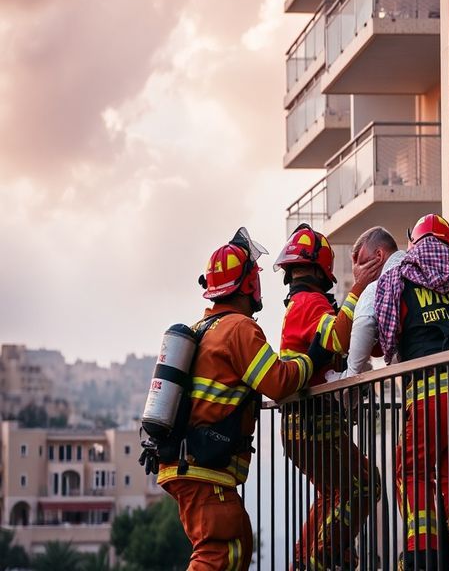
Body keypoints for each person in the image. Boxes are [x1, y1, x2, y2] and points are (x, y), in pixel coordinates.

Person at [155, 227, 325, 570]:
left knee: (240, 542)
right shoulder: (239, 329)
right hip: (205, 468)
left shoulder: (204, 329)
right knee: (222, 551)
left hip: (187, 462)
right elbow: (277, 382)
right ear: (249, 284)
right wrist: (313, 359)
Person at [374, 214, 449, 571]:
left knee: (412, 472)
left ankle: (420, 555)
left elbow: (384, 338)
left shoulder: (401, 278)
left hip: (431, 392)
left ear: (414, 244)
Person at [273, 223, 382, 571]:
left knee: (335, 492)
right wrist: (360, 287)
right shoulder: (310, 303)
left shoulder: (301, 303)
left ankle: (306, 561)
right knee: (364, 486)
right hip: (313, 421)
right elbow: (337, 338)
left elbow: (341, 343)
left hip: (303, 423)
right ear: (323, 271)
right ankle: (323, 558)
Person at [336, 226, 406, 381]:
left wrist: (360, 285)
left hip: (425, 393)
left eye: (361, 263)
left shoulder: (378, 286)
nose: (357, 273)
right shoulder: (419, 270)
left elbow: (365, 323)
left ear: (379, 255)